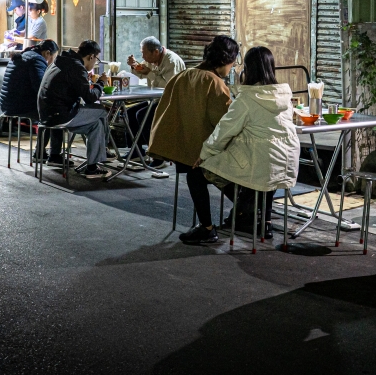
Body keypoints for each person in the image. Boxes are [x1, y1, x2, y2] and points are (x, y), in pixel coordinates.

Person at [197, 46, 299, 239]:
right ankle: (264, 222)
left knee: (200, 172)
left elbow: (223, 132)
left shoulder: (246, 99)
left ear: (248, 69)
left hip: (259, 165)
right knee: (267, 164)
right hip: (287, 164)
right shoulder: (284, 96)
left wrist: (204, 154)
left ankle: (238, 210)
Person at [148, 35, 238, 244]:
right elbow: (224, 123)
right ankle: (245, 210)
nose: (231, 68)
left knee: (196, 175)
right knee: (230, 172)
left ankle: (215, 223)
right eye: (232, 63)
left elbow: (166, 113)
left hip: (184, 151)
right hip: (207, 154)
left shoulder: (183, 76)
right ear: (226, 60)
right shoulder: (214, 83)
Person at [36, 40, 111, 179]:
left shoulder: (63, 61)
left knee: (96, 125)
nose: (95, 63)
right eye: (97, 59)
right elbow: (90, 98)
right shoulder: (76, 67)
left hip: (47, 113)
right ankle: (105, 150)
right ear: (91, 57)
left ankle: (92, 167)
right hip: (60, 115)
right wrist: (101, 83)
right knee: (101, 110)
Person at [125, 37, 187, 164]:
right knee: (129, 112)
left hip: (172, 102)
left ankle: (158, 155)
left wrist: (149, 73)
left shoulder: (171, 61)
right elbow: (142, 71)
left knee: (143, 115)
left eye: (144, 53)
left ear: (156, 52)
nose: (142, 56)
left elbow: (167, 87)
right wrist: (134, 66)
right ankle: (136, 150)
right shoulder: (151, 60)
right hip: (156, 100)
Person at [0, 40, 58, 117]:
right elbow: (40, 89)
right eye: (54, 58)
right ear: (47, 53)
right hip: (20, 107)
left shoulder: (25, 54)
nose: (53, 62)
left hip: (6, 105)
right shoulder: (37, 60)